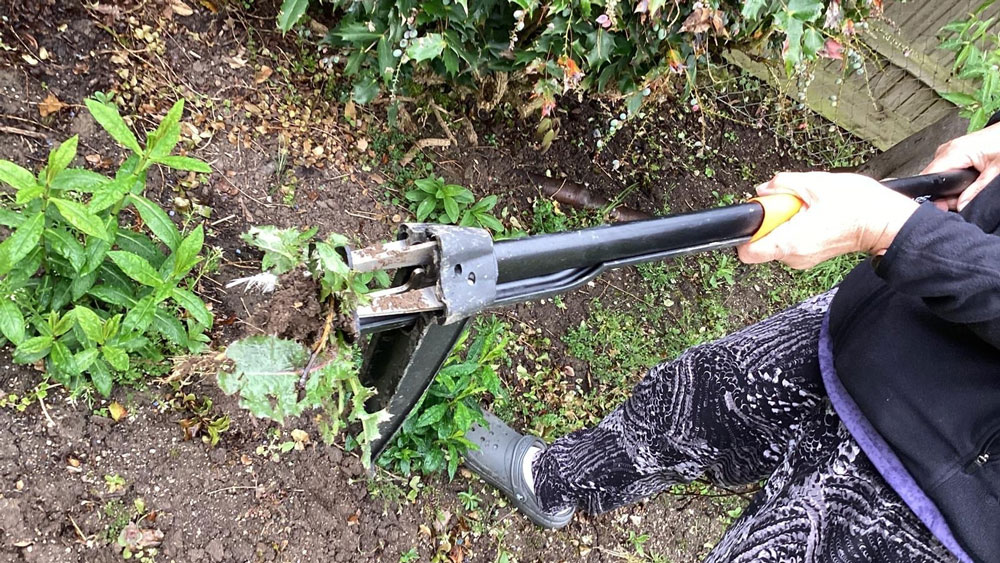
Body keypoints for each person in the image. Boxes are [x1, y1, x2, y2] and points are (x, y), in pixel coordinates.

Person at [464, 116, 1000, 563]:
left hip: (951, 500)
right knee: (688, 398)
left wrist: (896, 232)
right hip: (889, 321)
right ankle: (556, 480)